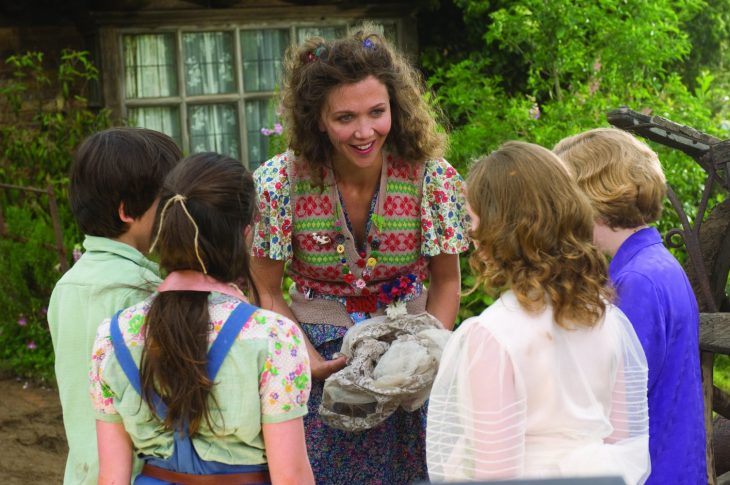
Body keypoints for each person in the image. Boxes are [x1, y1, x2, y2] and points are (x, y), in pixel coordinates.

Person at [250, 25, 469, 484]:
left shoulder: (433, 178)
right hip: (321, 365)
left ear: (396, 106)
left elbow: (447, 281)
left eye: (377, 112)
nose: (365, 131)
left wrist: (423, 354)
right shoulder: (277, 183)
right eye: (345, 118)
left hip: (410, 361)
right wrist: (306, 359)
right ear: (317, 119)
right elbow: (265, 288)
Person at [426, 141, 650, 484]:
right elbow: (624, 445)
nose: (470, 232)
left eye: (473, 218)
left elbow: (495, 476)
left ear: (501, 226)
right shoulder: (607, 320)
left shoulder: (492, 336)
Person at [89, 153, 314, 485]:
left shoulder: (112, 336)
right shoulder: (273, 337)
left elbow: (111, 477)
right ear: (246, 232)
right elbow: (291, 476)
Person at [554, 127, 707, 485]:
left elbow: (609, 408)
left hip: (653, 473)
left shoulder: (636, 282)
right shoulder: (654, 263)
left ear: (590, 195)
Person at [48, 127, 181, 485]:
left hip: (83, 472)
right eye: (166, 202)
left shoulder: (67, 285)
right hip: (135, 473)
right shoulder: (142, 292)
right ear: (127, 211)